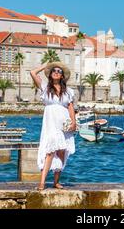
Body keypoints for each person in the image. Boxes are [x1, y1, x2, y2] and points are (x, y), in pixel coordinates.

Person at [30, 62, 77, 190]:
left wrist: (74, 122)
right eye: (54, 71)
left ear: (62, 76)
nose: (56, 72)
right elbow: (32, 73)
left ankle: (56, 182)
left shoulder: (68, 91)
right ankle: (42, 183)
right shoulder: (44, 87)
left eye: (59, 71)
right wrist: (45, 66)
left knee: (61, 151)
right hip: (50, 123)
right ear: (50, 74)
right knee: (50, 152)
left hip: (64, 124)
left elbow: (70, 107)